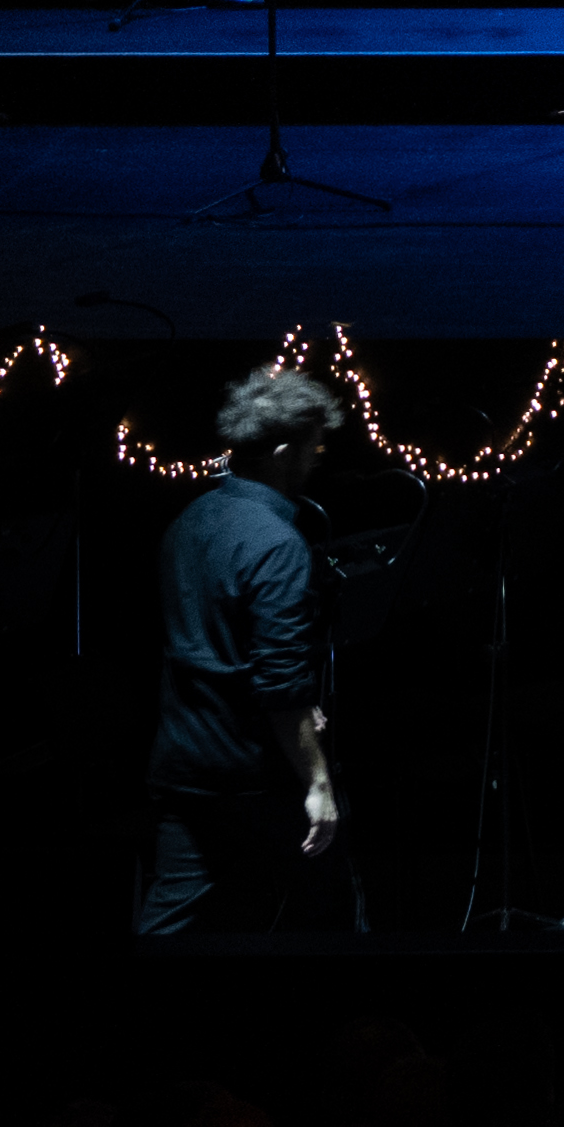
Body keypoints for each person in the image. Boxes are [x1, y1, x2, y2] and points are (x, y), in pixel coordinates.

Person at [142, 367, 350, 935]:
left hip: (183, 761)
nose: (318, 458)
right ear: (282, 453)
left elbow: (210, 648)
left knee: (169, 925)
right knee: (321, 917)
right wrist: (318, 783)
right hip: (250, 773)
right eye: (313, 446)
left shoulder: (188, 521)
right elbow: (280, 684)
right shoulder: (277, 543)